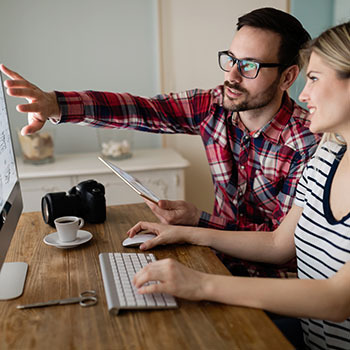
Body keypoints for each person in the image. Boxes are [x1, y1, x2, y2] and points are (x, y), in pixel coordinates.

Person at [1, 7, 320, 277]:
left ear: (288, 77)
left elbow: (282, 249)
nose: (232, 76)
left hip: (272, 287)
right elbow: (141, 109)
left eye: (249, 65)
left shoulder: (308, 143)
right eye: (231, 59)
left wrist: (197, 221)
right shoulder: (215, 106)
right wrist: (55, 104)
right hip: (213, 261)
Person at [131, 22, 350, 350]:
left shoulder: (309, 142)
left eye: (315, 79)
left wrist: (202, 284)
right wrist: (187, 230)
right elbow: (278, 244)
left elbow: (336, 300)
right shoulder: (330, 153)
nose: (304, 95)